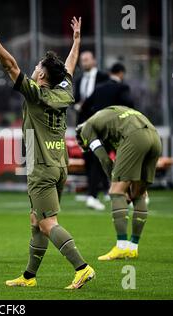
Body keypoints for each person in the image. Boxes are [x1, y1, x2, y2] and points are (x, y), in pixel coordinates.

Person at [0, 15, 95, 289]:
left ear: (41, 75)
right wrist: (76, 41)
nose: (32, 69)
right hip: (60, 165)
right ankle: (29, 277)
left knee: (47, 223)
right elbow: (69, 67)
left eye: (36, 67)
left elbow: (10, 65)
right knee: (36, 220)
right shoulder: (63, 93)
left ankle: (82, 267)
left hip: (41, 167)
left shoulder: (35, 93)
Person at [76, 106, 162, 260]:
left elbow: (104, 159)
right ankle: (133, 247)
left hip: (134, 137)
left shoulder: (86, 129)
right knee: (139, 193)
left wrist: (117, 182)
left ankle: (121, 246)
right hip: (154, 137)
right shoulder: (108, 117)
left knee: (116, 192)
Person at [78, 63, 135, 210]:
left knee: (98, 162)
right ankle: (130, 196)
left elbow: (84, 106)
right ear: (121, 73)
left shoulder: (99, 88)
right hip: (116, 132)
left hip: (98, 129)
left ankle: (92, 196)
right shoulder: (122, 88)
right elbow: (130, 106)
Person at [74, 52, 109, 210]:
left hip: (98, 122)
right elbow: (76, 98)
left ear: (94, 60)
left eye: (87, 59)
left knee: (98, 156)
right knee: (88, 157)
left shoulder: (103, 77)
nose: (84, 62)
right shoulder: (80, 79)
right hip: (83, 123)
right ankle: (95, 190)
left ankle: (97, 192)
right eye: (82, 60)